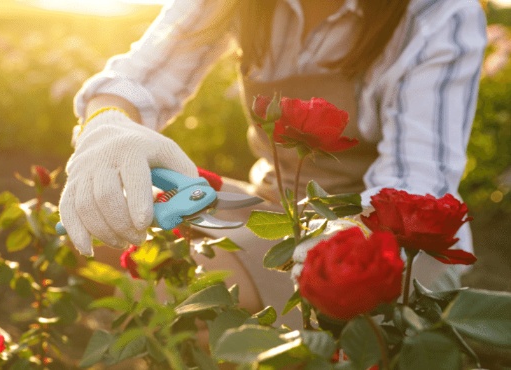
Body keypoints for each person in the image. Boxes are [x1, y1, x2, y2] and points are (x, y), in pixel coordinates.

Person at [58, 0, 487, 325]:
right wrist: (107, 123)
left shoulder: (438, 13)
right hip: (276, 209)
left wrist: (330, 250)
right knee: (108, 223)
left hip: (391, 240)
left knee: (184, 299)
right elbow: (144, 74)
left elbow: (415, 183)